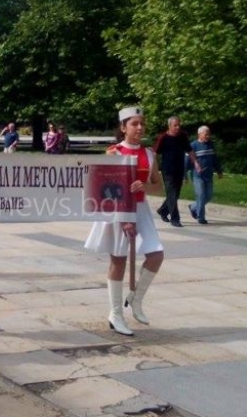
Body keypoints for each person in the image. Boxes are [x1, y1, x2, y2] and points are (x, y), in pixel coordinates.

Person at [85, 107, 164, 336]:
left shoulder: (149, 154)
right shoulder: (114, 153)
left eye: (142, 124)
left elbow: (157, 185)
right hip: (117, 209)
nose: (140, 128)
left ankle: (136, 299)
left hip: (140, 208)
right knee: (118, 260)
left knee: (156, 254)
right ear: (123, 128)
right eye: (134, 124)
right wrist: (122, 220)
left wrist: (145, 186)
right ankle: (116, 313)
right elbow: (104, 189)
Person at [154, 116, 200, 226]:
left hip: (179, 169)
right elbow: (155, 153)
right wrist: (153, 169)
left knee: (175, 195)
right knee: (172, 193)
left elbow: (189, 150)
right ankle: (175, 219)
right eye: (175, 125)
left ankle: (163, 210)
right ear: (169, 126)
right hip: (167, 170)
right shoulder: (163, 137)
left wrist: (196, 163)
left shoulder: (183, 136)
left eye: (179, 125)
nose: (177, 127)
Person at [187, 125, 223, 225]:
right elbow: (187, 161)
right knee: (201, 195)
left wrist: (219, 171)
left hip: (209, 175)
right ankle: (201, 217)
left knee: (209, 196)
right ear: (199, 134)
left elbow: (214, 158)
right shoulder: (193, 145)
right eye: (206, 134)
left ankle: (193, 207)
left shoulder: (210, 144)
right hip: (197, 176)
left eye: (208, 134)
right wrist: (184, 175)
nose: (208, 136)